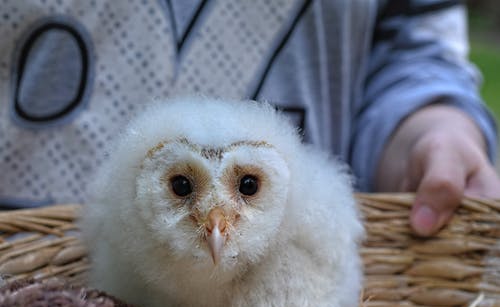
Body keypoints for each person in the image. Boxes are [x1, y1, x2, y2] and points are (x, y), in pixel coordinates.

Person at [0, 0, 499, 236]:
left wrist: (429, 126)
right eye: (180, 187)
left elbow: (406, 41)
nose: (216, 223)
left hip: (298, 262)